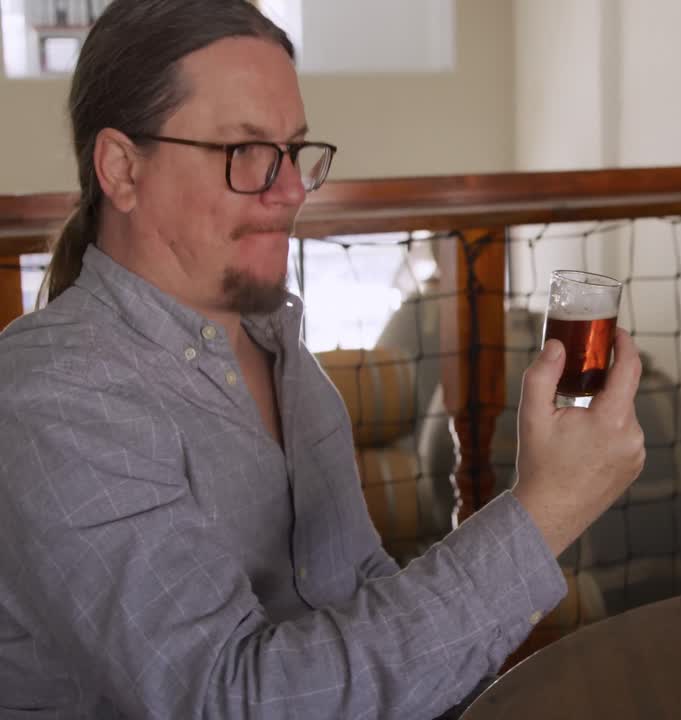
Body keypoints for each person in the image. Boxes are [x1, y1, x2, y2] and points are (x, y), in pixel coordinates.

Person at [0, 1, 645, 717]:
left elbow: (358, 591)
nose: (290, 190)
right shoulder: (51, 399)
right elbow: (233, 702)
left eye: (292, 149)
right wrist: (545, 510)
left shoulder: (278, 351)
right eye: (243, 151)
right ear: (122, 169)